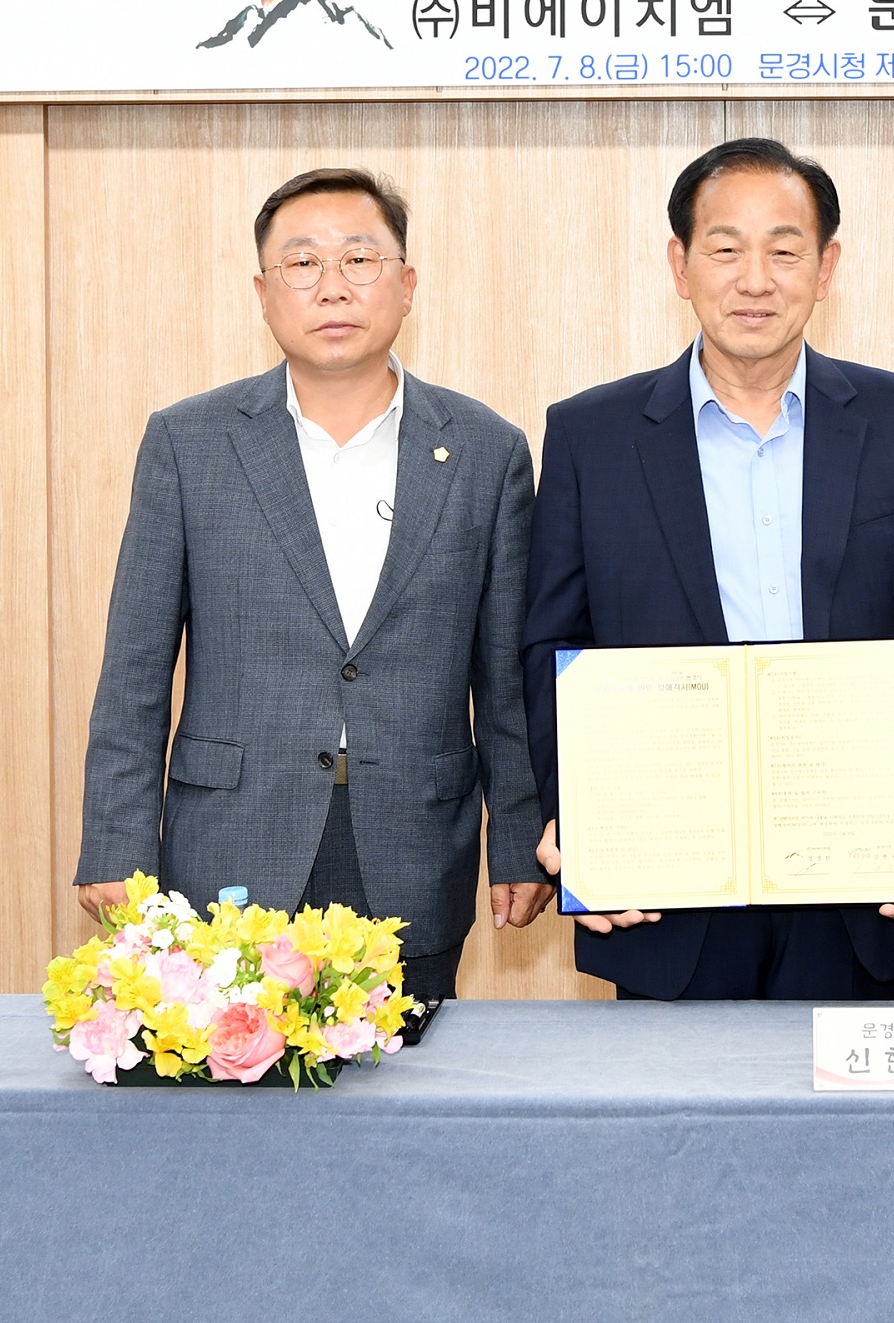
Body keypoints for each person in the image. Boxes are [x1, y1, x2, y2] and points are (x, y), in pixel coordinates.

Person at [523, 137, 894, 1001]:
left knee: (845, 1090)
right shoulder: (592, 436)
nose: (755, 280)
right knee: (673, 1093)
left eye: (784, 251)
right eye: (725, 249)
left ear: (826, 269)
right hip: (663, 878)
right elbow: (554, 643)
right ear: (680, 265)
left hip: (856, 867)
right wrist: (580, 812)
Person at [73, 167, 551, 1009]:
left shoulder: (486, 451)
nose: (333, 287)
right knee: (227, 1075)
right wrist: (116, 842)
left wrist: (515, 836)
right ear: (264, 294)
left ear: (407, 284)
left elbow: (504, 678)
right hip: (232, 843)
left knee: (410, 1080)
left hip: (412, 840)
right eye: (302, 264)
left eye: (360, 259)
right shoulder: (190, 442)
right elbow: (135, 669)